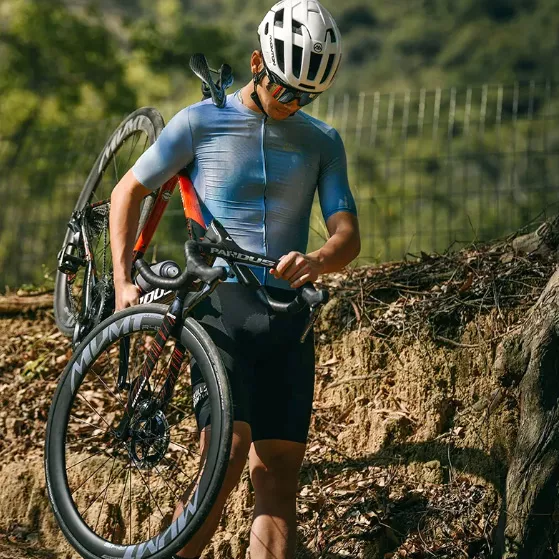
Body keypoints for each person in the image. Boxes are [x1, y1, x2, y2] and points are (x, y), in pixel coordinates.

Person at [109, 0, 360, 557]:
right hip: (217, 306)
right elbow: (128, 191)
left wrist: (319, 259)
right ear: (255, 63)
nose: (293, 104)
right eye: (285, 91)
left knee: (278, 483)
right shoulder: (201, 121)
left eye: (306, 97)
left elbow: (347, 234)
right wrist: (125, 283)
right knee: (224, 459)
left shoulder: (323, 141)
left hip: (288, 319)